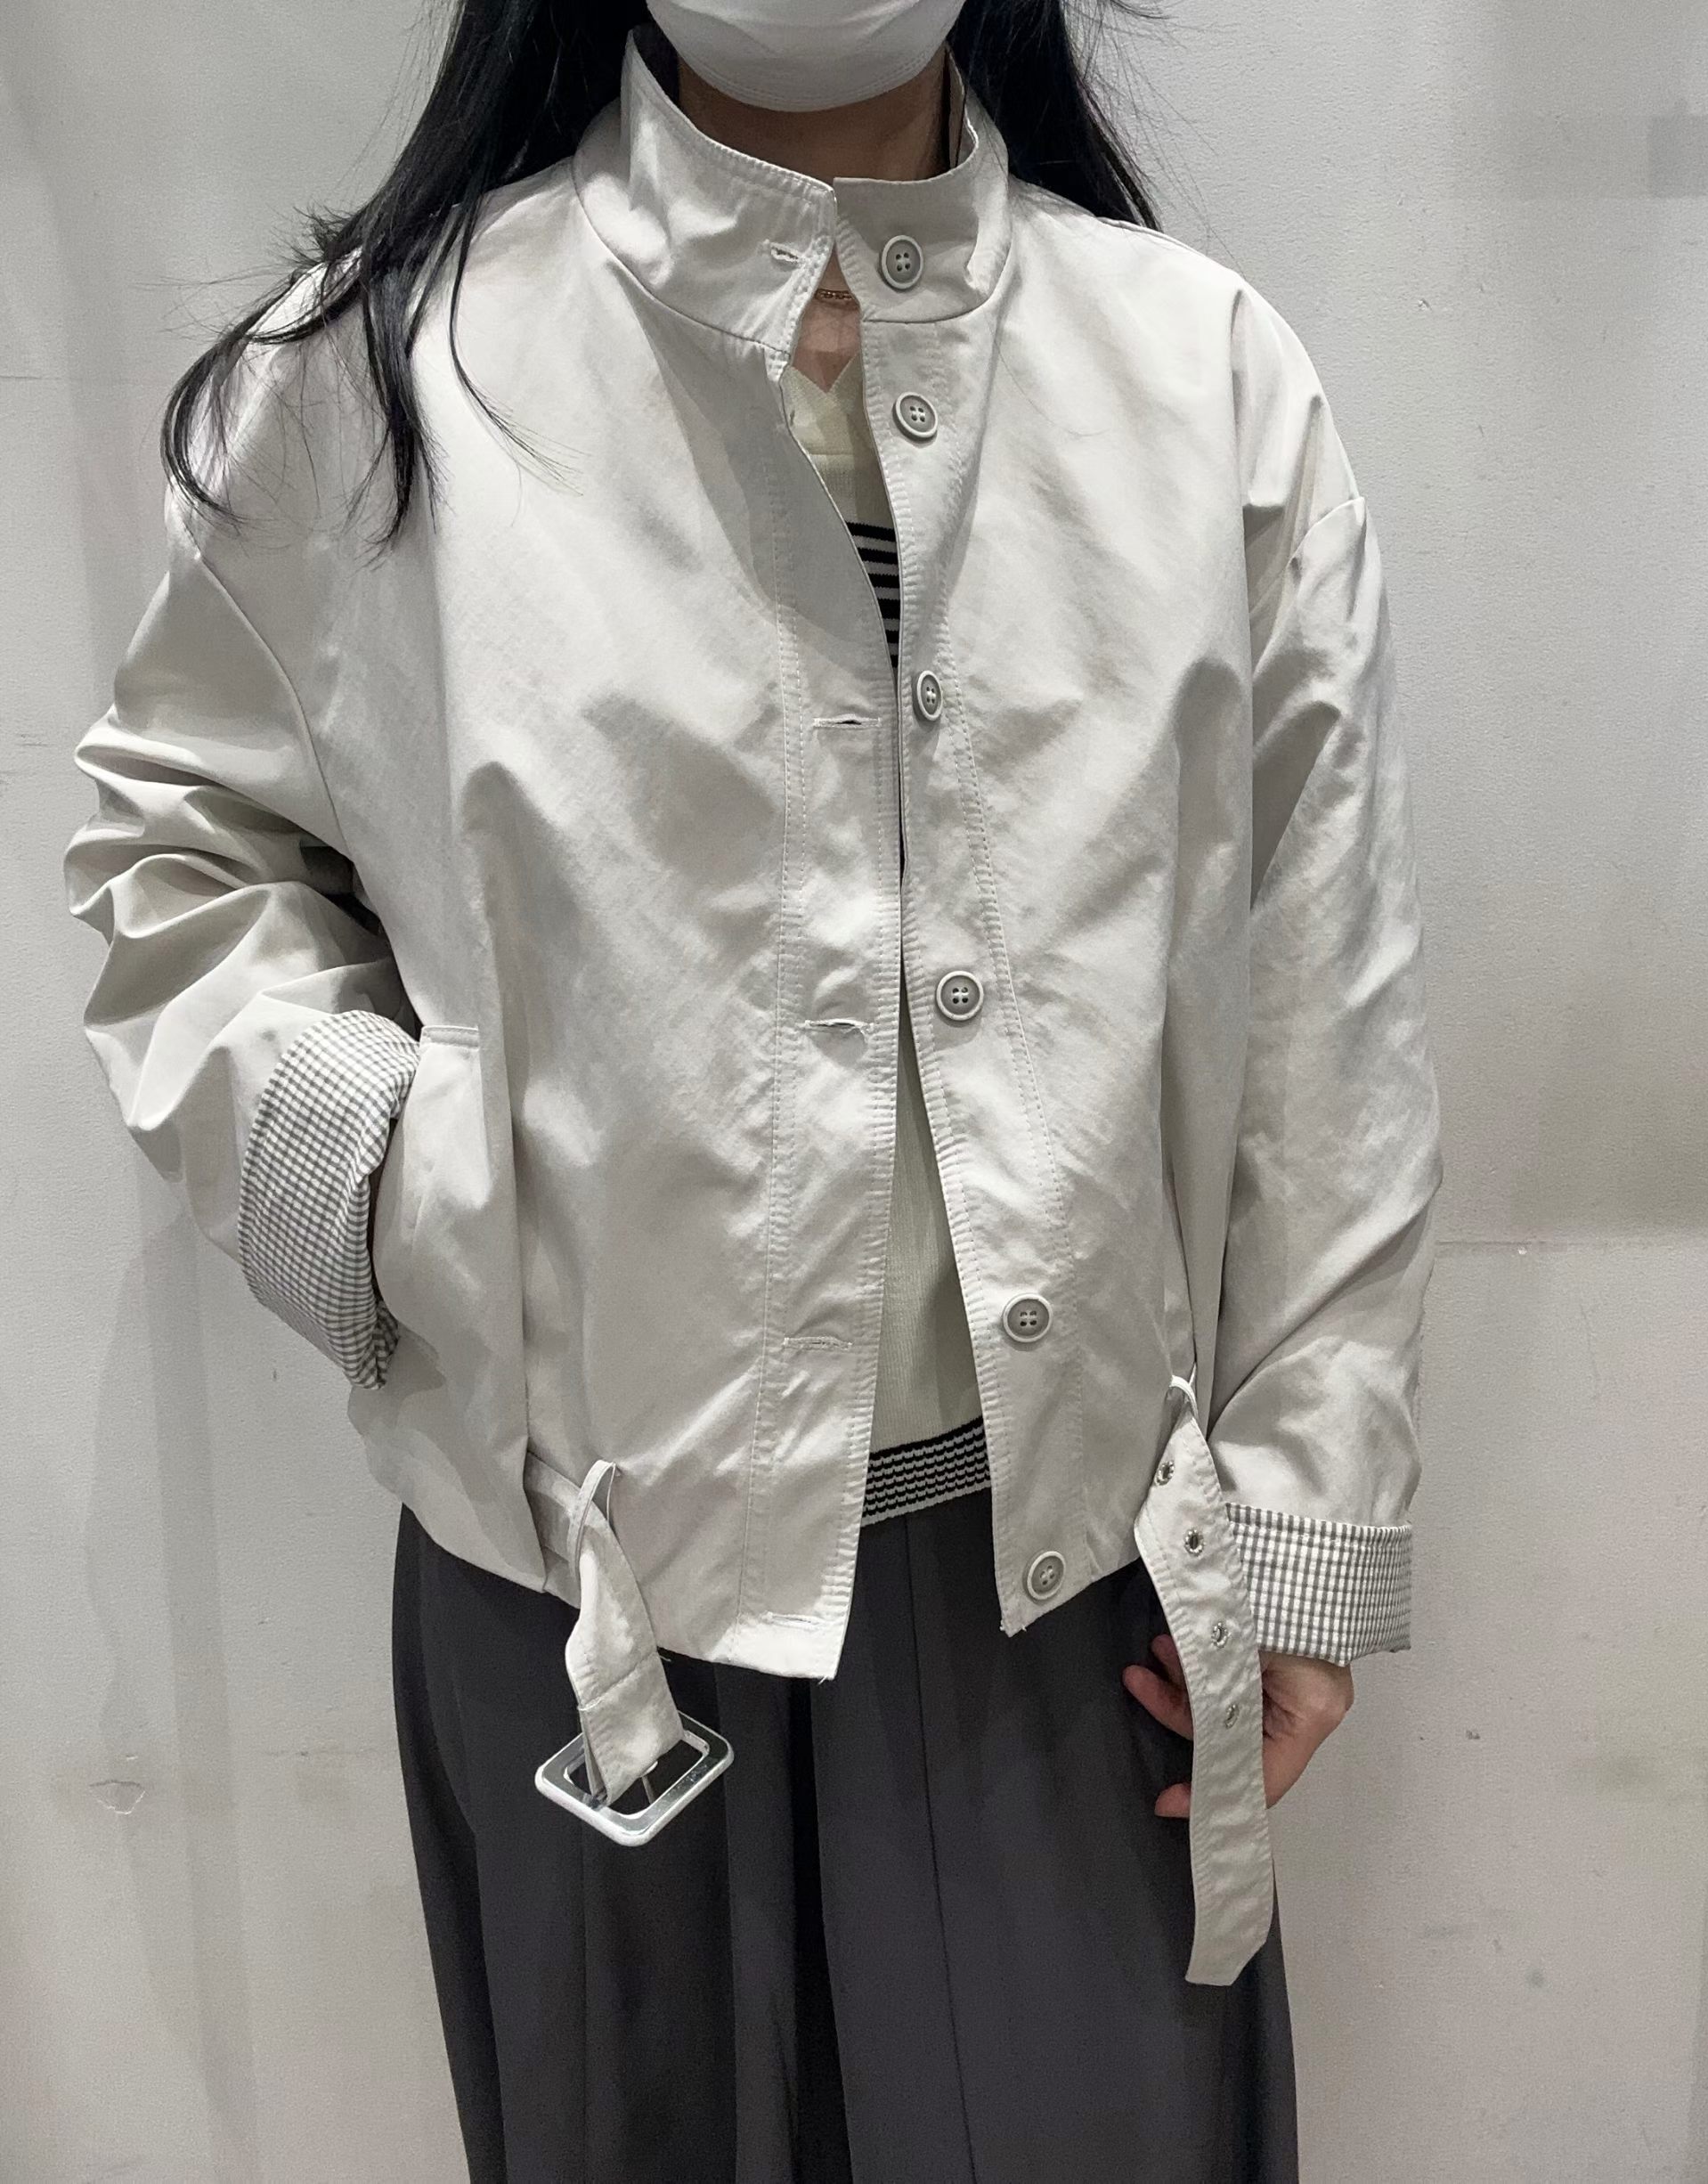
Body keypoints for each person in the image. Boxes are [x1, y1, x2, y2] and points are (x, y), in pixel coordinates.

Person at [60, 2, 1444, 2178]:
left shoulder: (1200, 379)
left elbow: (1319, 979)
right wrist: (414, 1191)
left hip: (1073, 1593)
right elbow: (180, 851)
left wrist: (1302, 1520)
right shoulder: (384, 378)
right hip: (580, 1583)